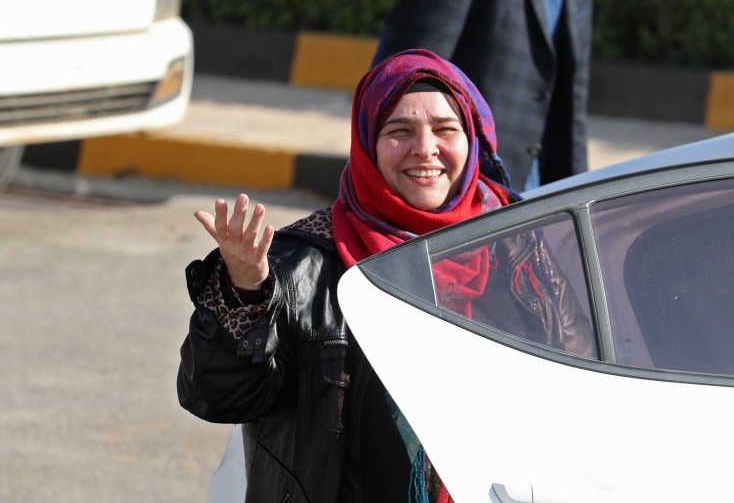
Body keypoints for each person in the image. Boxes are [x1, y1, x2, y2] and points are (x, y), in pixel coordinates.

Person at [177, 49, 594, 503]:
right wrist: (245, 292)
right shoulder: (304, 265)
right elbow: (221, 397)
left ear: (471, 140)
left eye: (445, 129)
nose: (425, 148)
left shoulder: (515, 241)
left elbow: (577, 382)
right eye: (399, 131)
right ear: (367, 145)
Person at [375, 0, 592, 191]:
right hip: (463, 184)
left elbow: (572, 87)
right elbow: (408, 75)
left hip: (544, 188)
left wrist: (578, 188)